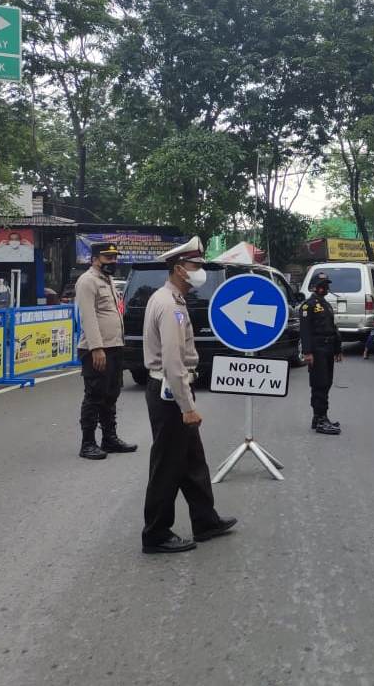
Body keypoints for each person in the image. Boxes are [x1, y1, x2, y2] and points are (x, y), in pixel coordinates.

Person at [141, 237, 236, 554]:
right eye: (195, 266)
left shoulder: (171, 300)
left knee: (192, 460)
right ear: (180, 269)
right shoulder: (170, 306)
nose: (200, 272)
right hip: (169, 394)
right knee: (167, 465)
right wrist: (187, 406)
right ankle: (156, 533)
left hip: (170, 390)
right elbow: (173, 361)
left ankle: (205, 520)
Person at [75, 242, 136, 460]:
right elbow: (89, 317)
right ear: (94, 259)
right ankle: (87, 443)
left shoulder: (108, 280)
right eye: (107, 258)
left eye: (114, 257)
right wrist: (97, 348)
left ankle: (109, 439)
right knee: (94, 396)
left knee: (111, 395)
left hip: (114, 346)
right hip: (96, 349)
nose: (113, 261)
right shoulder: (87, 281)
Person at [300, 271, 342, 435]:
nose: (324, 288)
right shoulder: (308, 305)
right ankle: (320, 418)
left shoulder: (326, 304)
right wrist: (307, 352)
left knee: (327, 382)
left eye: (326, 285)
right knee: (319, 384)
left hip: (328, 349)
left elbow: (333, 328)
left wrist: (338, 349)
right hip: (316, 350)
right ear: (314, 286)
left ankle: (320, 417)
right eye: (321, 285)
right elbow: (305, 331)